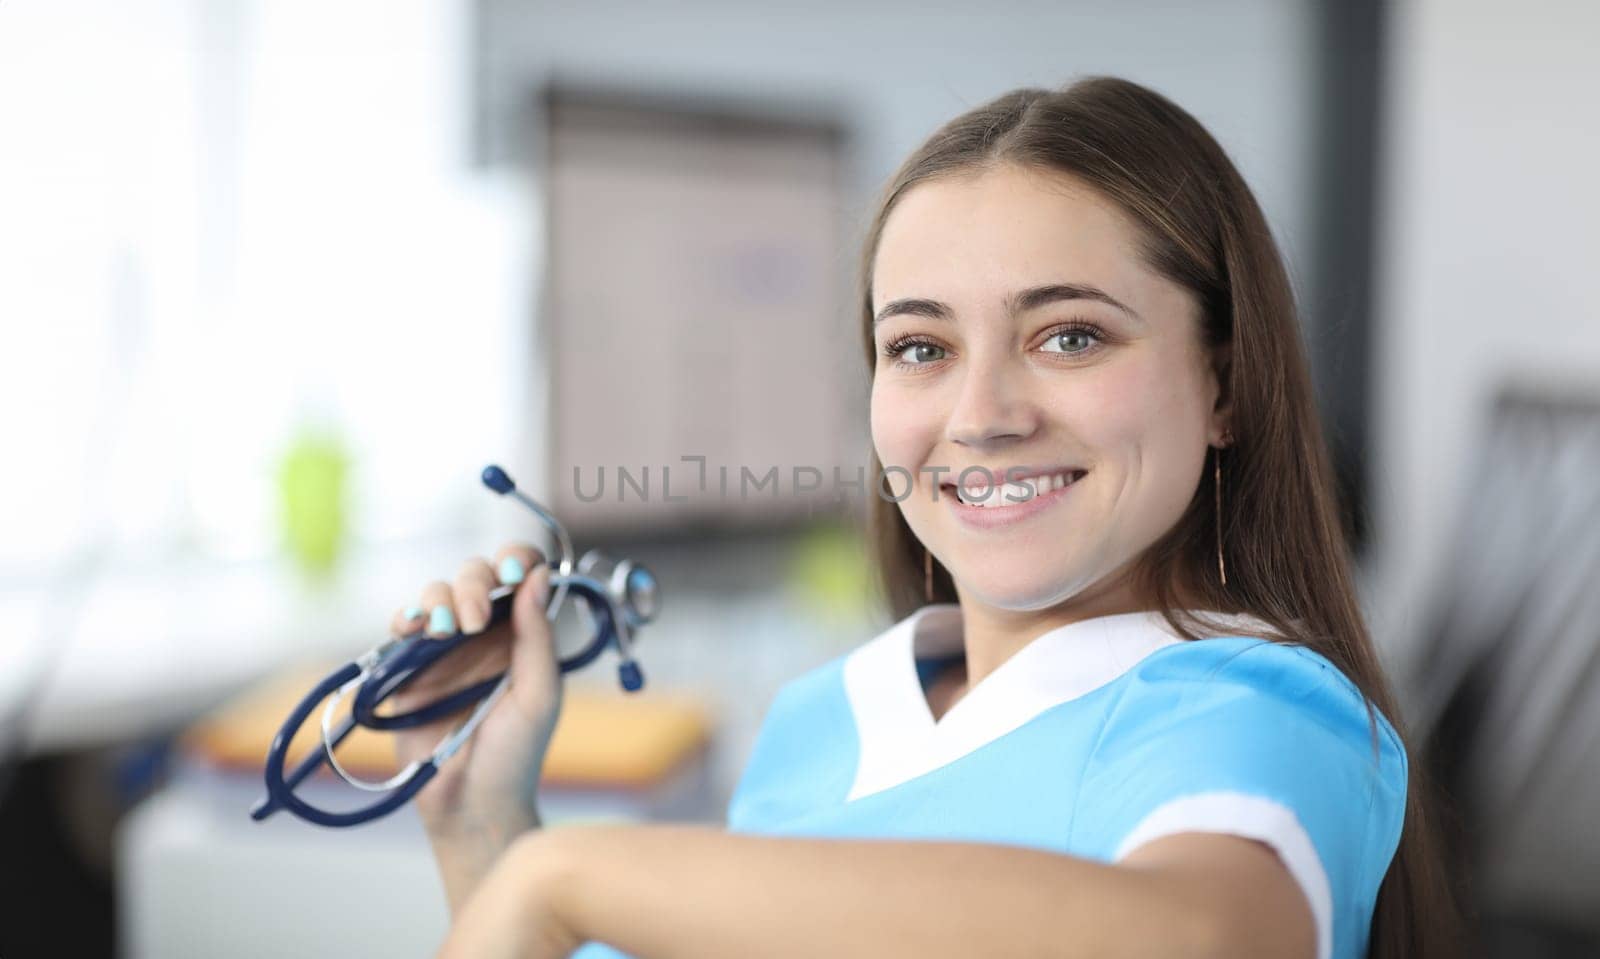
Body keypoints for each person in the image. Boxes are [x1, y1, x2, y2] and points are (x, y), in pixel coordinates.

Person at [392, 76, 1462, 959]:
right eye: (920, 347)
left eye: (1070, 335)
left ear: (1223, 388)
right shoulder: (825, 716)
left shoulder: (1248, 706)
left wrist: (574, 872)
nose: (982, 415)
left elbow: (1200, 935)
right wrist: (487, 827)